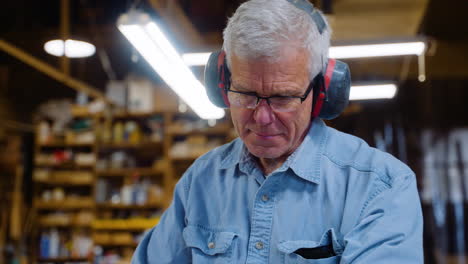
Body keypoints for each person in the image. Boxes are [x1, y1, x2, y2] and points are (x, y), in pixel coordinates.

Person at [132, 0, 423, 263]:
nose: (261, 117)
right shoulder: (201, 182)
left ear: (321, 92)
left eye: (283, 98)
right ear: (222, 86)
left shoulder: (381, 187)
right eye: (245, 94)